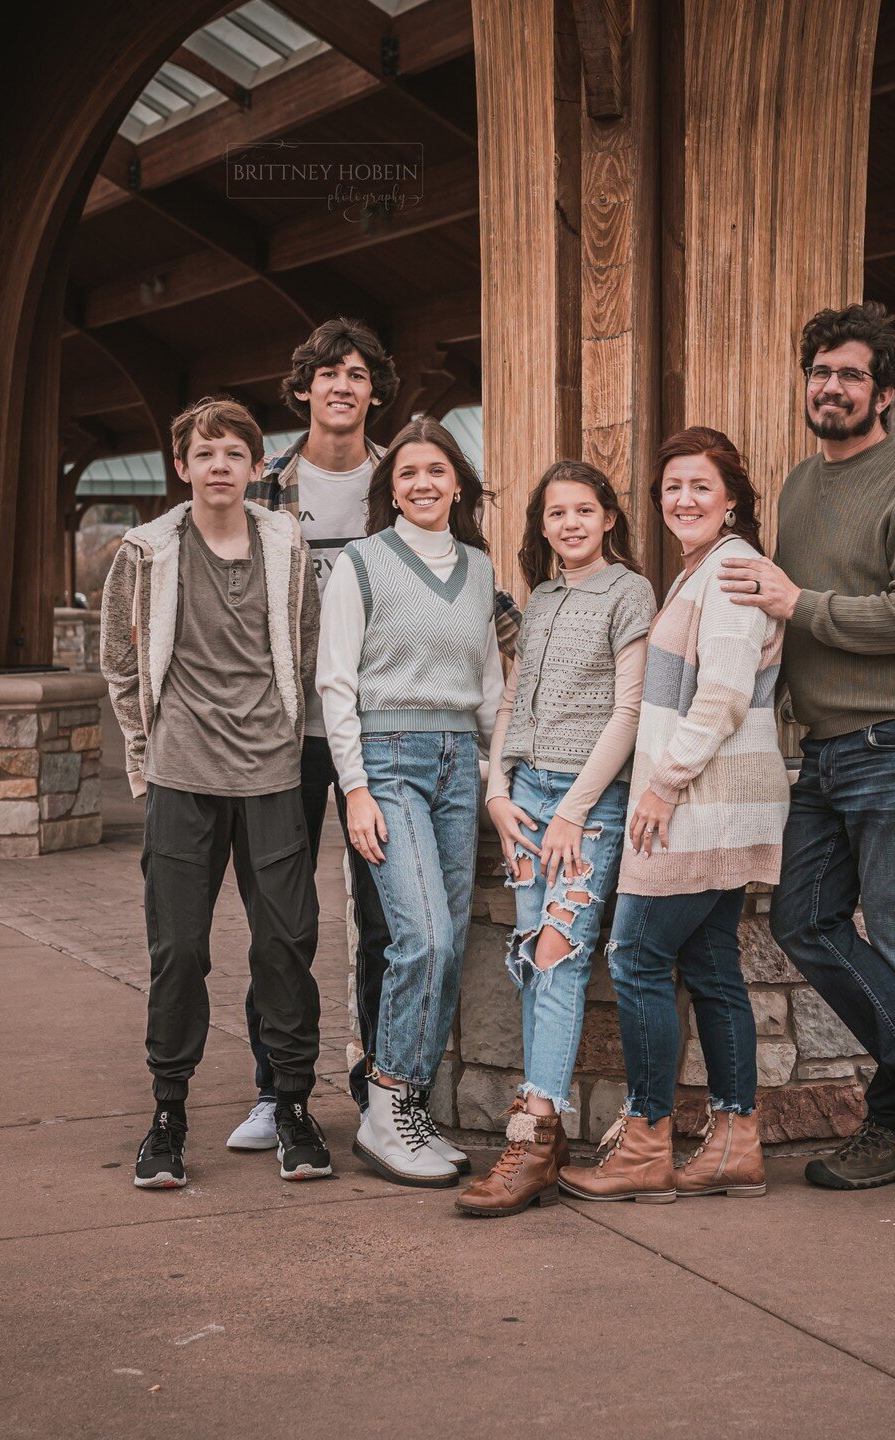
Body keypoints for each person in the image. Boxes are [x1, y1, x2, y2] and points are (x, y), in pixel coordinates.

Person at [719, 301, 895, 1199]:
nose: (830, 388)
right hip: (830, 749)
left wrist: (797, 605)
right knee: (804, 917)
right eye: (819, 372)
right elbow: (783, 614)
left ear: (882, 391)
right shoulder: (800, 486)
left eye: (849, 375)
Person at [231, 319, 519, 1156]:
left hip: (382, 732)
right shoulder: (265, 492)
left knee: (390, 922)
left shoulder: (403, 476)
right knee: (281, 919)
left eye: (357, 374)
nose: (342, 387)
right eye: (327, 374)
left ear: (374, 390)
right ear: (304, 389)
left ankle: (377, 1091)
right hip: (287, 734)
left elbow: (479, 615)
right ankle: (276, 1089)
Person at [100, 396, 329, 1189]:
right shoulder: (146, 550)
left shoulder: (288, 544)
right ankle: (168, 1115)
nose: (220, 467)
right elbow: (121, 665)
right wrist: (148, 751)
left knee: (285, 943)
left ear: (257, 466)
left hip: (270, 772)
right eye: (205, 455)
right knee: (180, 950)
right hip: (183, 776)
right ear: (182, 468)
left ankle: (292, 1105)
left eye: (235, 454)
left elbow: (304, 643)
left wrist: (288, 735)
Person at [559, 428, 790, 1204]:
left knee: (635, 958)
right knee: (714, 968)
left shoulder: (727, 569)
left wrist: (661, 785)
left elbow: (721, 696)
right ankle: (734, 1142)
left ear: (731, 500)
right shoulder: (703, 571)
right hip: (718, 806)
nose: (683, 500)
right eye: (671, 488)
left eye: (700, 486)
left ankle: (647, 1145)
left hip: (698, 806)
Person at [457, 462, 655, 1218]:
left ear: (608, 516)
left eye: (583, 510)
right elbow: (512, 699)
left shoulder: (630, 591)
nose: (569, 524)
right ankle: (545, 1137)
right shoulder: (538, 600)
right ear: (541, 527)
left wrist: (573, 810)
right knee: (534, 956)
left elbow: (629, 712)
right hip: (527, 797)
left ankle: (536, 1131)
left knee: (558, 957)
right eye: (555, 514)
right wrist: (499, 792)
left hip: (588, 802)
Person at [318, 416, 503, 1187]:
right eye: (406, 474)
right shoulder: (361, 564)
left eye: (435, 471)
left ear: (457, 482)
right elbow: (335, 683)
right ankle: (386, 1105)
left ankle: (410, 1108)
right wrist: (355, 789)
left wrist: (502, 781)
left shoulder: (480, 568)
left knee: (450, 942)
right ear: (388, 490)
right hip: (388, 763)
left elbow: (492, 687)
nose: (422, 484)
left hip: (462, 762)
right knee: (419, 936)